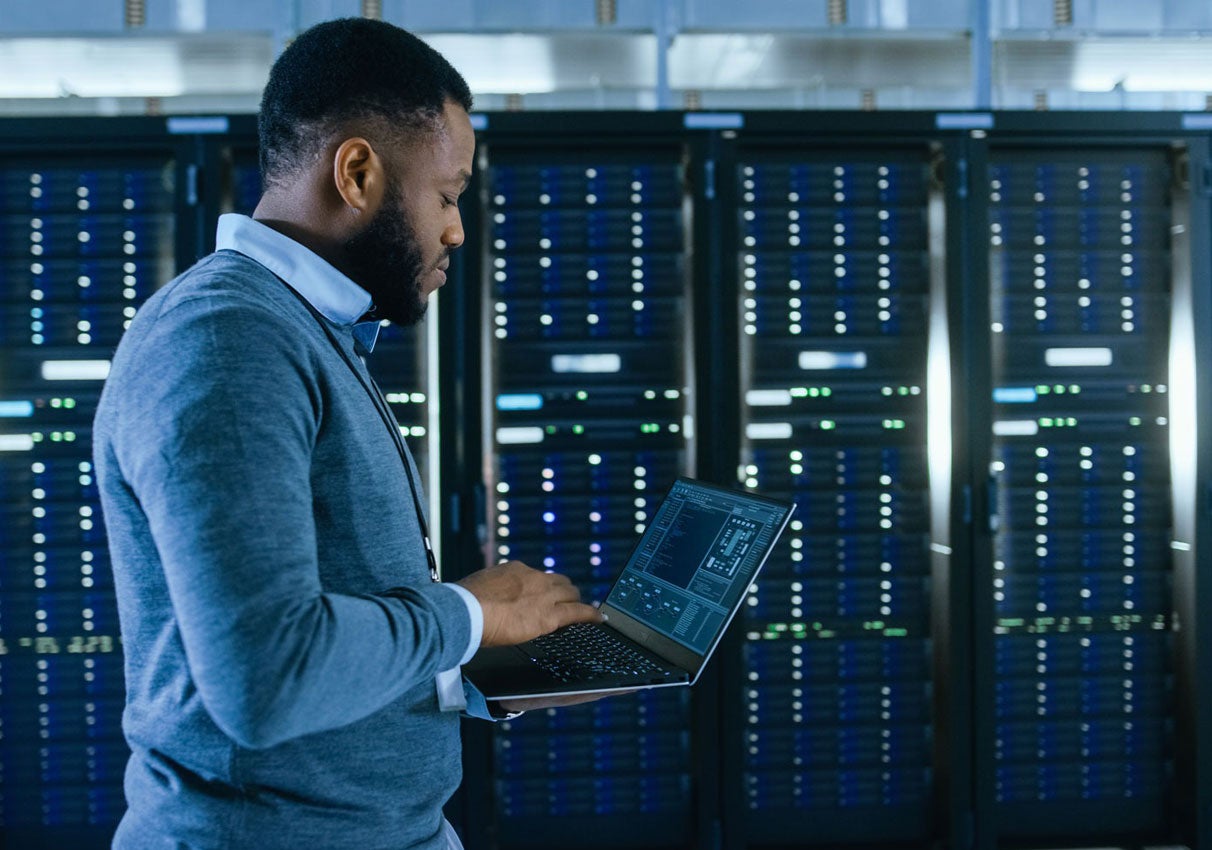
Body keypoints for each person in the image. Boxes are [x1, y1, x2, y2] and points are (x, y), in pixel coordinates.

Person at [93, 17, 605, 850]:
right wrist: (468, 616)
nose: (456, 232)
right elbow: (266, 675)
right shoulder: (227, 342)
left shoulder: (308, 331)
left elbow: (331, 625)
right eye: (446, 196)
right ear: (358, 170)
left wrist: (488, 666)